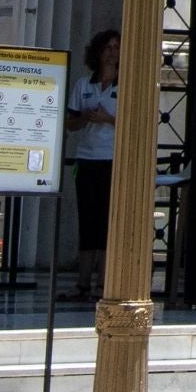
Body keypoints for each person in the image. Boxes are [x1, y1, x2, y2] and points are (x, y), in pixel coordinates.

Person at [65, 29, 119, 300]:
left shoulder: (126, 85)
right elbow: (70, 123)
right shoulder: (84, 85)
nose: (112, 52)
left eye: (116, 48)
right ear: (98, 52)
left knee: (107, 222)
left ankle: (104, 284)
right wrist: (86, 117)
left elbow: (136, 125)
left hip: (112, 158)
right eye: (108, 47)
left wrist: (108, 119)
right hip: (87, 157)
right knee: (88, 221)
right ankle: (83, 282)